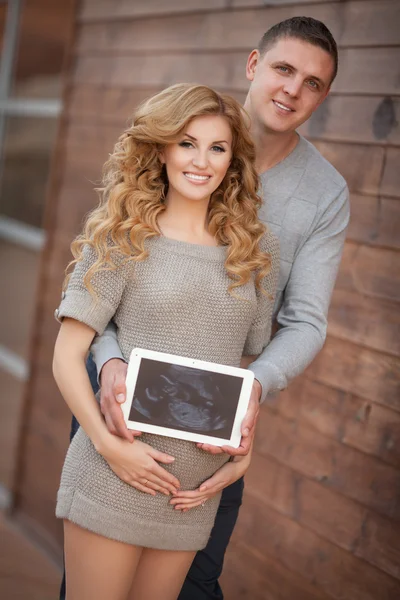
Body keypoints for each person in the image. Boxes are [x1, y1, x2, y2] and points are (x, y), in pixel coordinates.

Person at [69, 16, 350, 600]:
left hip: (213, 427)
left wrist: (250, 395)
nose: (293, 90)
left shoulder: (323, 194)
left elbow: (300, 323)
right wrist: (111, 359)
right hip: (118, 403)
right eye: (283, 69)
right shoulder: (183, 134)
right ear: (254, 65)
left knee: (196, 586)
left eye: (314, 83)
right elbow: (101, 288)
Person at [53, 83, 280, 600]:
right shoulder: (122, 235)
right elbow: (66, 359)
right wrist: (111, 449)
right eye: (186, 143)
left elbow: (234, 369)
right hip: (117, 474)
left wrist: (244, 450)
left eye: (217, 147)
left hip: (191, 495)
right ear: (160, 149)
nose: (201, 161)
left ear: (232, 159)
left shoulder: (254, 251)